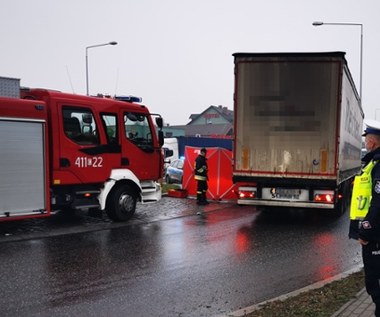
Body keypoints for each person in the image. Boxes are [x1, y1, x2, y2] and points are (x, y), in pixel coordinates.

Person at [350, 119, 380, 316]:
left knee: (374, 282)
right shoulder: (373, 162)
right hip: (373, 233)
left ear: (373, 142)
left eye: (367, 141)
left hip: (375, 236)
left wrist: (365, 230)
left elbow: (378, 203)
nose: (365, 144)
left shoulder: (378, 165)